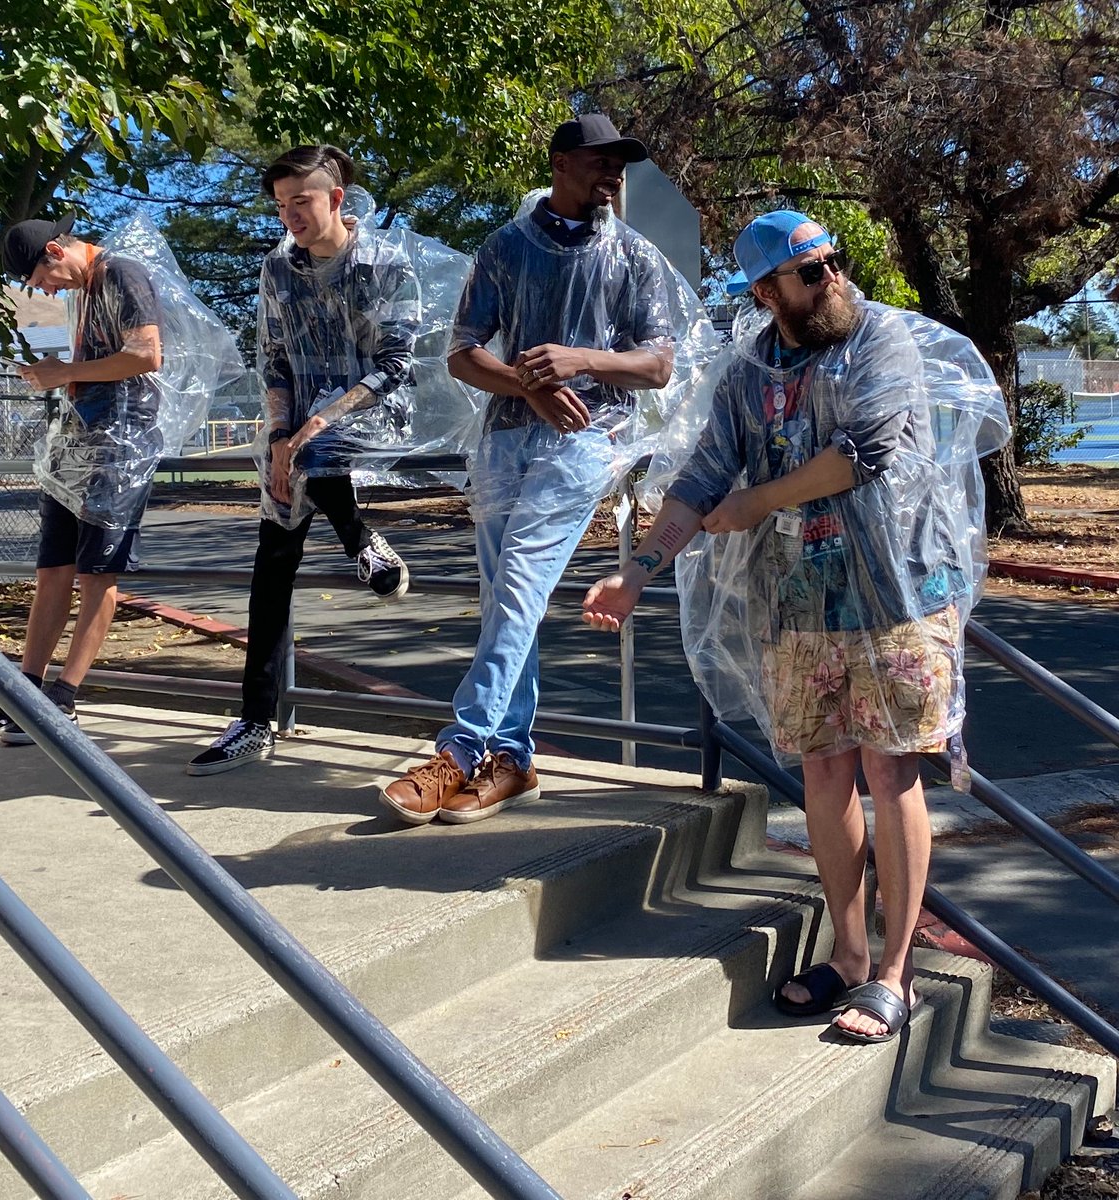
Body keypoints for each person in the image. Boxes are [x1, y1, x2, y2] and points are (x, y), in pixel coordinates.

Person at [581, 210, 1009, 1043]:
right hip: (800, 608)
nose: (831, 279)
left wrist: (758, 502)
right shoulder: (749, 375)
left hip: (901, 599)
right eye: (809, 272)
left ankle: (895, 974)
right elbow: (705, 472)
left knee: (892, 778)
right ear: (767, 291)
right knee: (823, 777)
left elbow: (868, 450)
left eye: (833, 262)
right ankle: (849, 956)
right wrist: (636, 572)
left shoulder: (881, 341)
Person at [381, 113, 675, 825]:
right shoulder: (506, 247)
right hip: (506, 442)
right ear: (560, 162)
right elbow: (461, 352)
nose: (613, 175)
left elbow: (659, 364)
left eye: (620, 165)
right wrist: (528, 387)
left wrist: (580, 360)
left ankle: (457, 750)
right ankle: (512, 761)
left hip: (584, 445)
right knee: (502, 602)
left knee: (516, 590)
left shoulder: (633, 257)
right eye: (600, 161)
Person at [187, 144, 416, 776]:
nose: (290, 215)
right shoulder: (276, 269)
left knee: (311, 452)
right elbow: (277, 360)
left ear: (336, 199)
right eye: (281, 204)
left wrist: (312, 427)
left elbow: (399, 366)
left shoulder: (385, 264)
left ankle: (357, 537)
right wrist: (281, 435)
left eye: (303, 201)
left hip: (373, 411)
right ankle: (255, 719)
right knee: (272, 559)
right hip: (303, 432)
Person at [0, 214, 164, 743]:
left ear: (56, 249)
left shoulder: (121, 272)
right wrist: (52, 364)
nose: (44, 289)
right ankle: (22, 696)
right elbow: (66, 356)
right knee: (52, 569)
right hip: (73, 441)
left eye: (42, 279)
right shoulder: (77, 291)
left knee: (98, 574)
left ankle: (63, 701)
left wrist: (63, 373)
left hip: (122, 443)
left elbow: (147, 355)